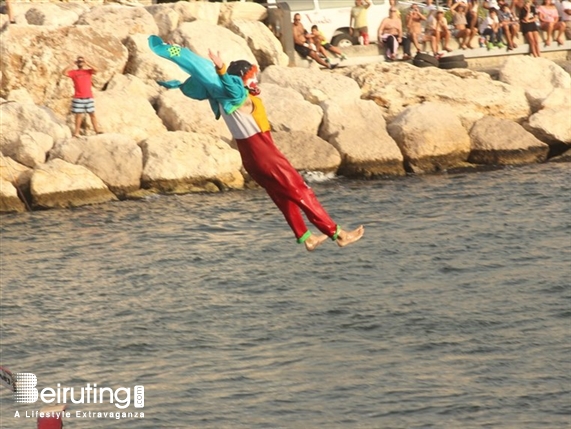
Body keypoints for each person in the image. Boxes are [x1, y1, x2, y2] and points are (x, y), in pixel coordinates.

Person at [147, 36, 364, 251]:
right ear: (241, 80)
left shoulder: (220, 100)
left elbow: (225, 87)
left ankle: (306, 237)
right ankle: (337, 233)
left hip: (251, 160)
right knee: (301, 191)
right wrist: (222, 69)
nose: (255, 81)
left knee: (284, 197)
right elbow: (233, 88)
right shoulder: (240, 97)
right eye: (252, 77)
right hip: (266, 155)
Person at [62, 56, 102, 137]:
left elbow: (97, 70)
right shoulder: (74, 72)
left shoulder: (88, 72)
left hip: (88, 97)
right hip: (78, 97)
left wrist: (87, 62)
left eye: (81, 61)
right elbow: (64, 73)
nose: (80, 62)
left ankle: (97, 130)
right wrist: (72, 64)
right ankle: (76, 132)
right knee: (78, 115)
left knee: (92, 114)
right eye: (79, 61)